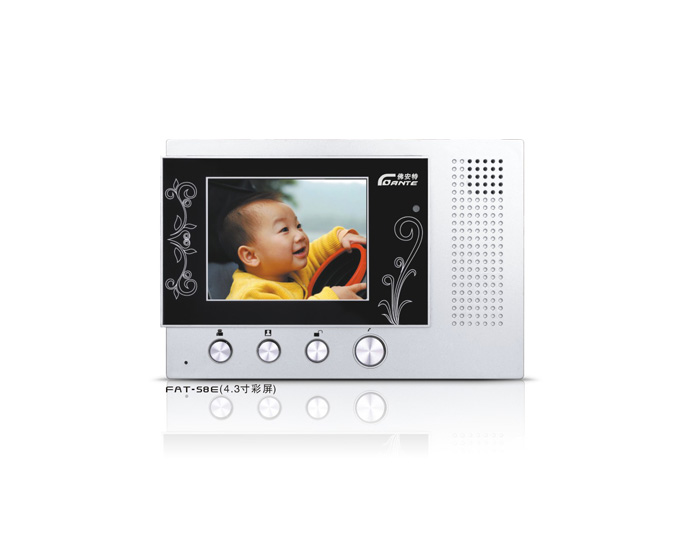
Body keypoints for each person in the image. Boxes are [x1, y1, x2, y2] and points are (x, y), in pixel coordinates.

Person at [221, 191, 366, 300]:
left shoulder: (289, 269)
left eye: (298, 226)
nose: (300, 235)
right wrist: (331, 298)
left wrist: (339, 237)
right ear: (251, 256)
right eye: (284, 229)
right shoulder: (252, 294)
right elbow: (290, 320)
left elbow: (315, 253)